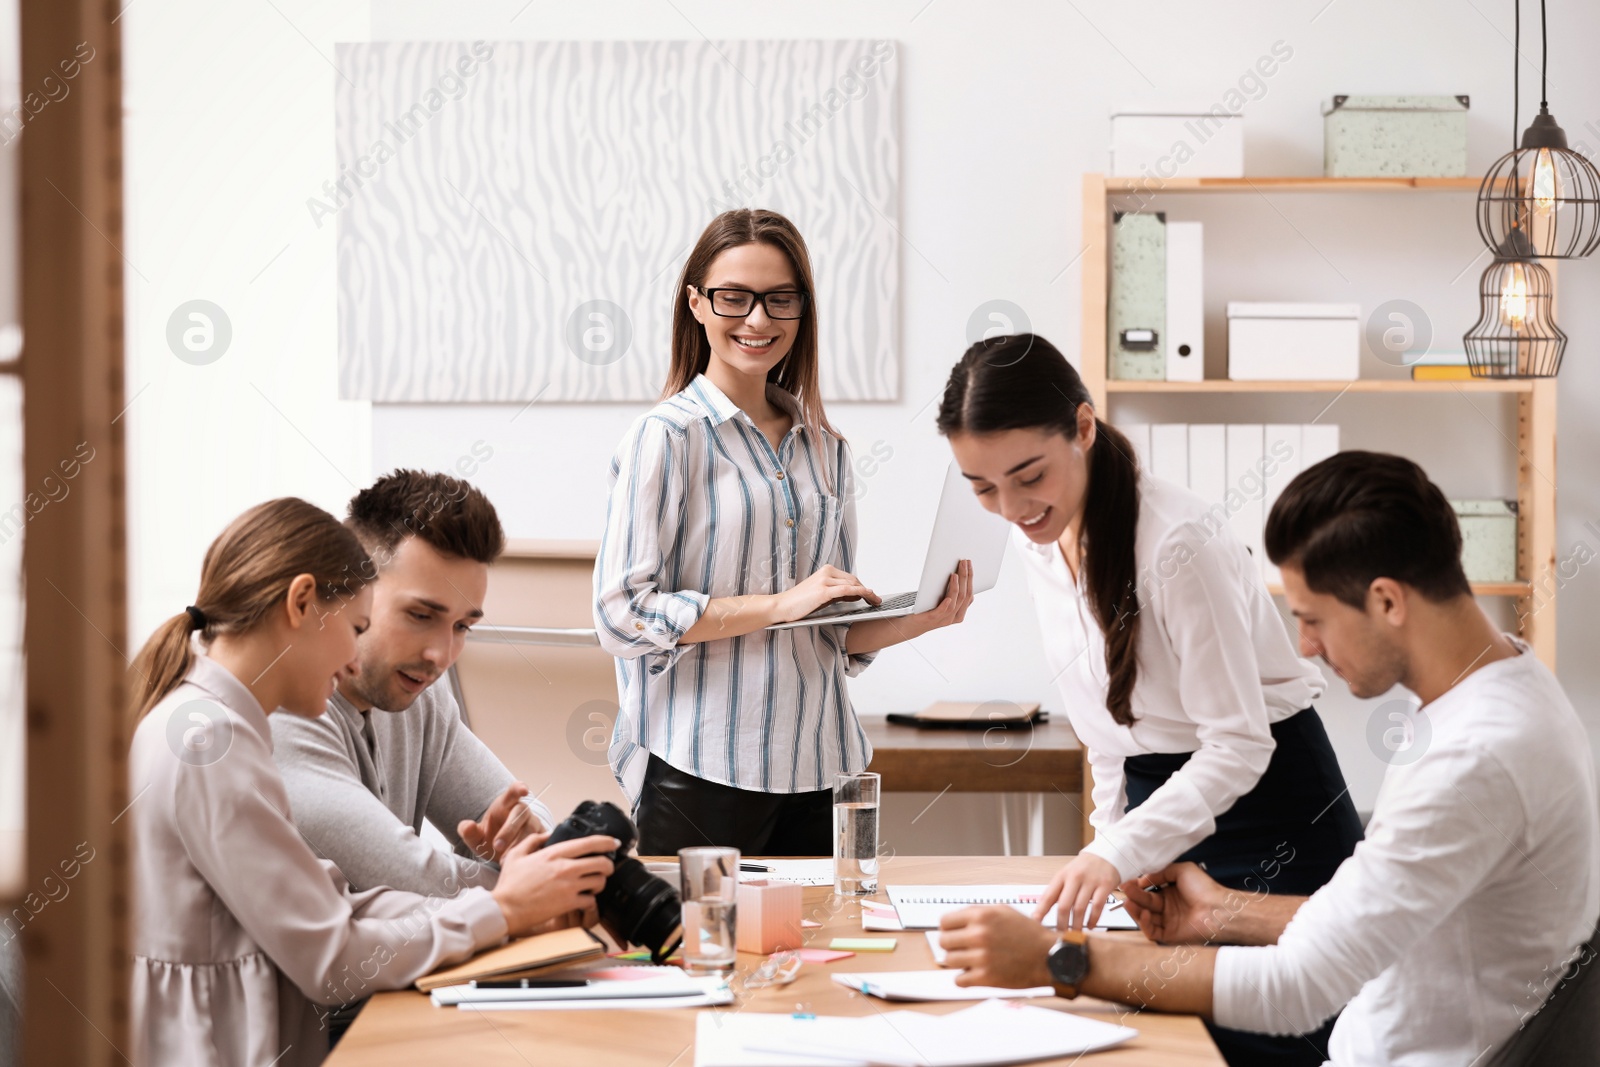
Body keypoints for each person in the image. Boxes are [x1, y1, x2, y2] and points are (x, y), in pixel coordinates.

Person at [938, 451, 1600, 1067]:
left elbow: (1298, 988)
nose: (1305, 647)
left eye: (1312, 618)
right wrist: (1221, 912)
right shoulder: (1509, 684)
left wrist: (1061, 957)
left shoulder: (1471, 759)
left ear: (1387, 600)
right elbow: (1385, 916)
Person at [937, 334, 1363, 1064]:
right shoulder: (1035, 541)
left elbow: (1240, 743)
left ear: (1082, 426)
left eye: (1028, 475)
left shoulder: (1177, 543)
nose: (1010, 506)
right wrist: (1108, 855)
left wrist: (1118, 846)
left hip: (1273, 809)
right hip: (1161, 810)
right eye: (981, 487)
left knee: (1272, 1037)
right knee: (1140, 1038)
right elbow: (1106, 734)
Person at [129, 498, 619, 1067]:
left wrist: (518, 893)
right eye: (355, 627)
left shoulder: (219, 725)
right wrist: (504, 908)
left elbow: (338, 907)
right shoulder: (212, 744)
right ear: (302, 603)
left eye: (461, 626)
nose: (346, 662)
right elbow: (333, 959)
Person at [594, 208, 973, 856]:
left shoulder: (827, 450)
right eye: (734, 297)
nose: (759, 320)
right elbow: (623, 614)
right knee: (700, 959)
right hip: (702, 769)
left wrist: (925, 616)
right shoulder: (667, 439)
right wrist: (776, 605)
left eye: (780, 299)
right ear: (696, 304)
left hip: (822, 768)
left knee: (828, 958)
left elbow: (830, 631)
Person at [273, 470, 559, 899]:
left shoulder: (421, 695)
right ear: (354, 592)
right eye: (421, 616)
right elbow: (405, 874)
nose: (440, 656)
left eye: (462, 626)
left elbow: (527, 817)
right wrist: (537, 880)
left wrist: (523, 842)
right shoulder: (282, 706)